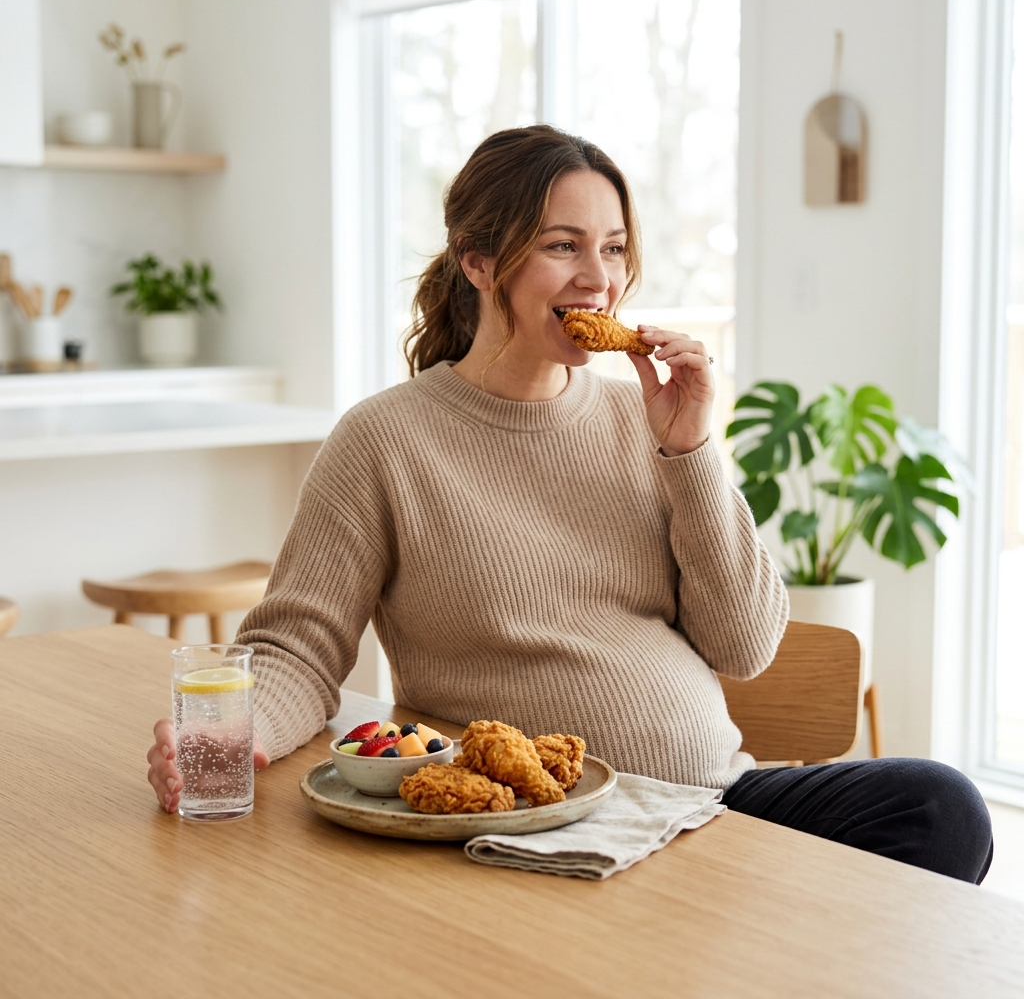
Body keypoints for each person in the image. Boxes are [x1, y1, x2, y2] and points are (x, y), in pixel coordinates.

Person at [147, 125, 992, 883]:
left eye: (617, 249)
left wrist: (690, 449)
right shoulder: (384, 441)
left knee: (941, 808)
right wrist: (237, 729)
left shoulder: (645, 420)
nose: (600, 280)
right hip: (538, 828)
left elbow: (741, 646)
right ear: (479, 261)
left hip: (712, 803)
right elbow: (298, 646)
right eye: (564, 247)